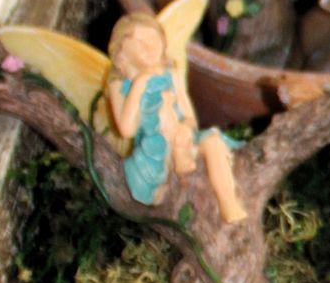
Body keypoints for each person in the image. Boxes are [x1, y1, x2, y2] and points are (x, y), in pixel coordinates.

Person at [104, 12, 245, 225]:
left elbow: (189, 115)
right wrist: (140, 84)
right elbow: (127, 130)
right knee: (172, 172)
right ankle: (179, 169)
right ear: (122, 49)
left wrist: (185, 129)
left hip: (183, 140)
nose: (150, 48)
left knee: (213, 142)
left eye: (154, 40)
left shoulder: (171, 73)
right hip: (155, 153)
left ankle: (229, 203)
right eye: (141, 43)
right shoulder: (118, 85)